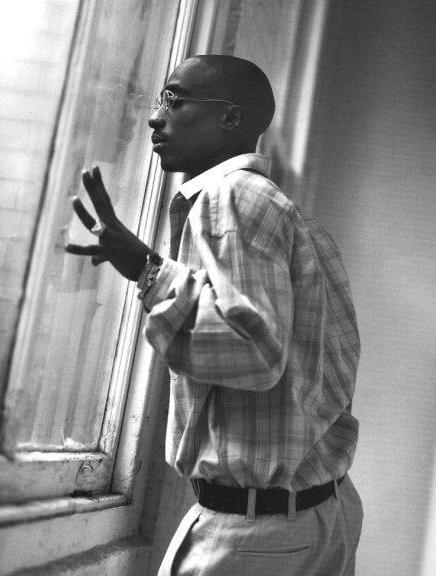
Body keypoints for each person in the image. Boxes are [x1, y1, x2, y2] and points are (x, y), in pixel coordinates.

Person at [66, 54, 363, 576]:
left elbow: (253, 352)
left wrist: (147, 270)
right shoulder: (293, 217)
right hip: (322, 513)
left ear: (231, 118)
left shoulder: (230, 196)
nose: (155, 117)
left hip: (258, 536)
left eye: (174, 100)